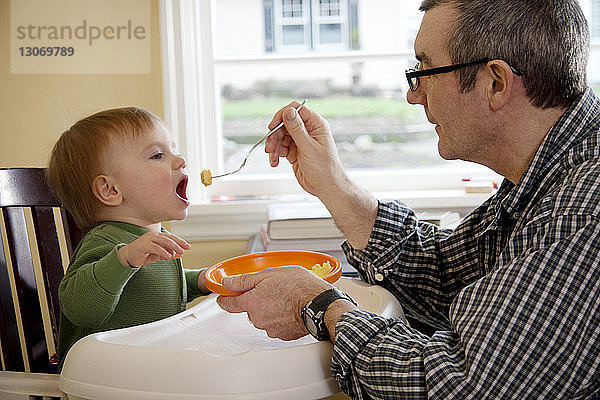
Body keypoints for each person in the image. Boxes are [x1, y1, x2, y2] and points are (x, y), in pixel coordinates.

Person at [217, 0, 600, 398]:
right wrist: (333, 184)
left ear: (496, 83)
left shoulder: (584, 211)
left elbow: (456, 385)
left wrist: (318, 305)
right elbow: (442, 275)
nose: (413, 96)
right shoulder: (549, 175)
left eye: (425, 71)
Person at [46, 107, 210, 369]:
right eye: (158, 155)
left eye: (173, 150)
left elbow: (155, 287)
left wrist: (201, 280)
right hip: (104, 380)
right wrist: (123, 259)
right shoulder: (106, 242)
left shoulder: (153, 238)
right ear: (110, 190)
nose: (180, 160)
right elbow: (78, 308)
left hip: (148, 372)